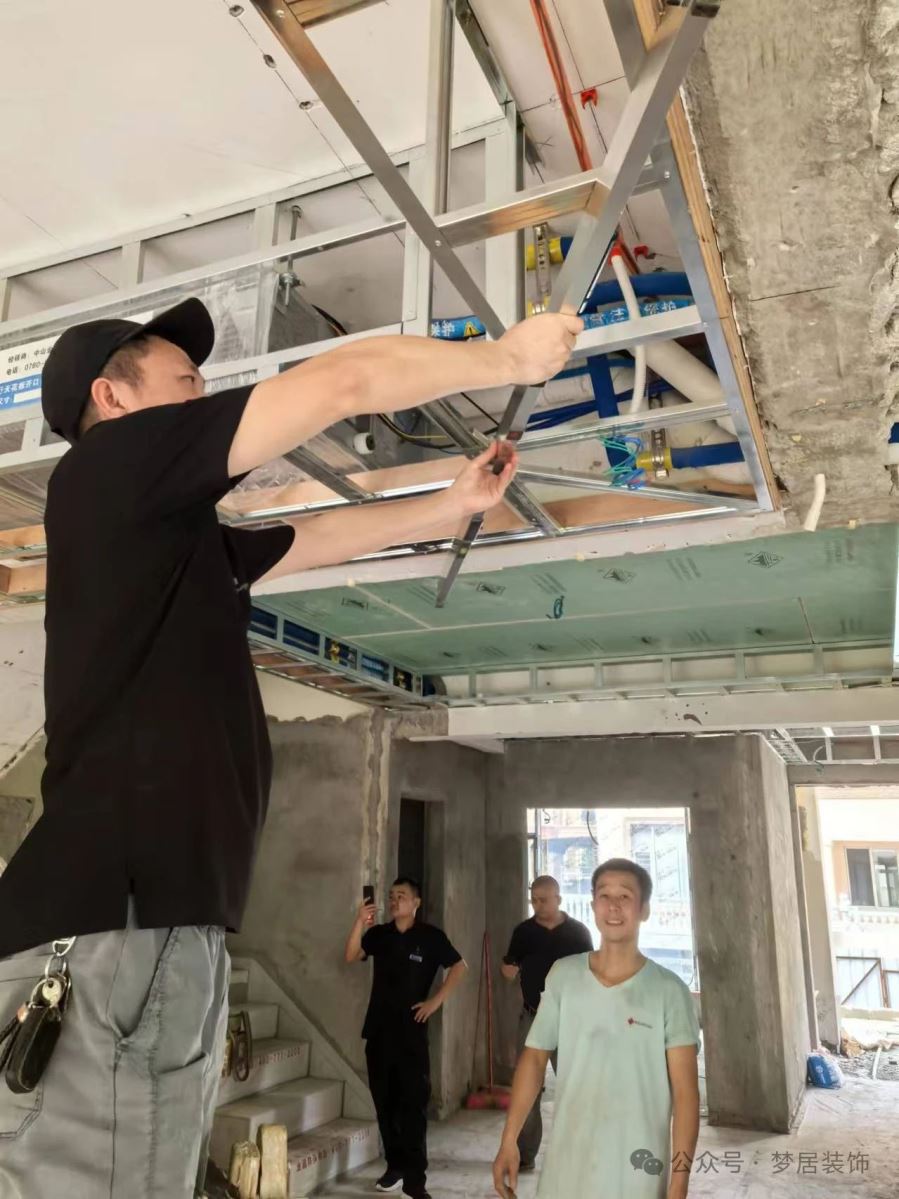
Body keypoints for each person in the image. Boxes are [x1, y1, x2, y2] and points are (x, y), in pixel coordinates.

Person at [0, 298, 581, 1199]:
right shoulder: (110, 464)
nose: (202, 392)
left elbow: (307, 540)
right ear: (112, 399)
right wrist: (505, 360)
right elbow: (340, 382)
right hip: (118, 921)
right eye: (183, 376)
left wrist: (448, 503)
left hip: (140, 923)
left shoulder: (159, 533)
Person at [493, 859, 700, 1199]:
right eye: (604, 895)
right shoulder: (564, 976)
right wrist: (509, 1140)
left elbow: (686, 1095)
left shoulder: (669, 991)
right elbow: (534, 1058)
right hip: (567, 1169)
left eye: (625, 896)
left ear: (644, 909)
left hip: (637, 1174)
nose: (613, 905)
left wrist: (679, 1183)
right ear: (593, 906)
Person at [345, 878, 466, 1199]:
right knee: (385, 1104)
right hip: (378, 1032)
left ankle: (415, 1181)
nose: (394, 900)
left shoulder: (431, 938)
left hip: (411, 1035)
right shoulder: (380, 935)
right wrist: (360, 921)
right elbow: (352, 954)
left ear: (416, 903)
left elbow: (459, 966)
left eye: (401, 896)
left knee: (412, 1106)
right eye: (391, 896)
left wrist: (434, 1002)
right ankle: (394, 1167)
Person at [500, 875, 592, 1170]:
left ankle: (578, 1153)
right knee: (527, 1088)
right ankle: (525, 1155)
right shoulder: (524, 932)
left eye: (544, 900)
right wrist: (508, 969)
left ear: (559, 899)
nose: (538, 905)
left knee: (574, 1085)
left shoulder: (578, 933)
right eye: (534, 900)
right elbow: (509, 967)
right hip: (533, 1018)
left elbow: (591, 973)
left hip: (570, 1020)